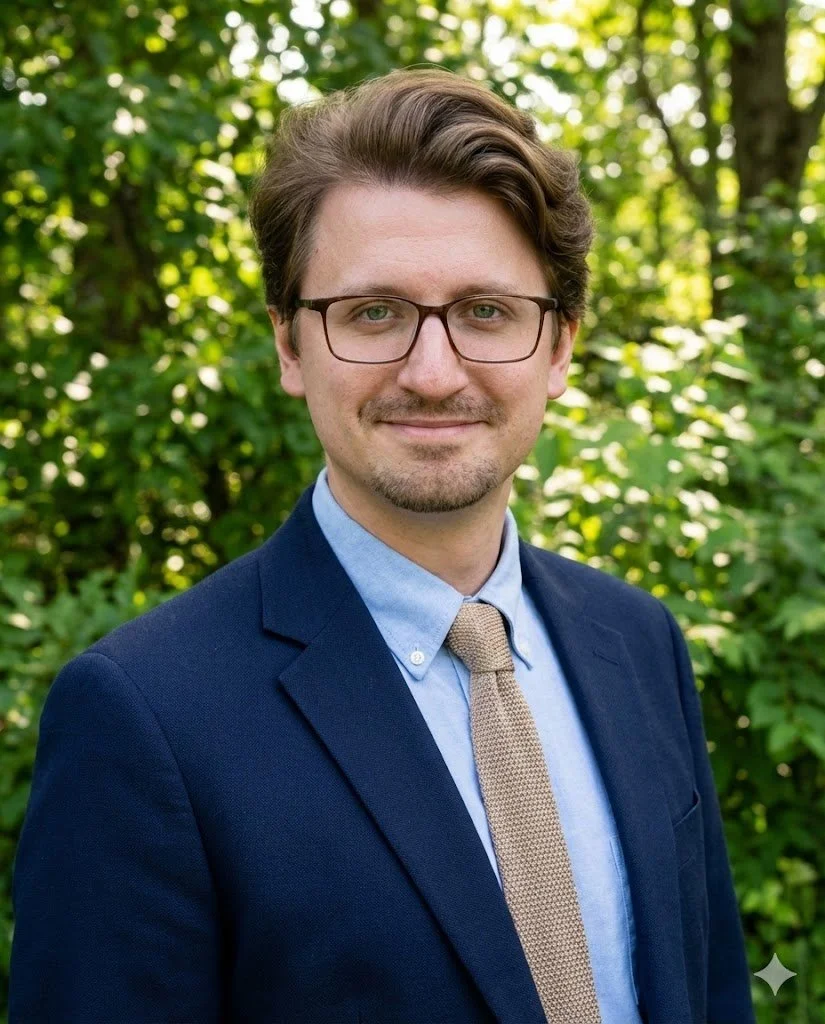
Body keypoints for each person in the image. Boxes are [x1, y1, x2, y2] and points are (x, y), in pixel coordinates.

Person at [9, 68, 754, 1024]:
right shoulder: (142, 718)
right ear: (290, 345)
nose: (433, 374)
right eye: (373, 313)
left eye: (485, 311)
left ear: (560, 346)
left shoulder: (637, 641)